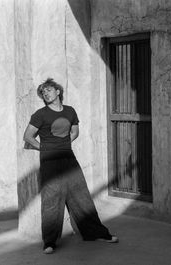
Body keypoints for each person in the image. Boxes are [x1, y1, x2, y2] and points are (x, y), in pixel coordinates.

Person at [23, 78, 118, 254]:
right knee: (51, 201)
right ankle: (49, 242)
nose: (46, 94)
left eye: (49, 90)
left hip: (68, 158)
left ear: (58, 91)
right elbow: (28, 136)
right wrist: (45, 148)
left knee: (81, 196)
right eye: (43, 92)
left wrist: (65, 143)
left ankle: (97, 233)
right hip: (49, 162)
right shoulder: (40, 114)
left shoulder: (70, 111)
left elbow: (75, 131)